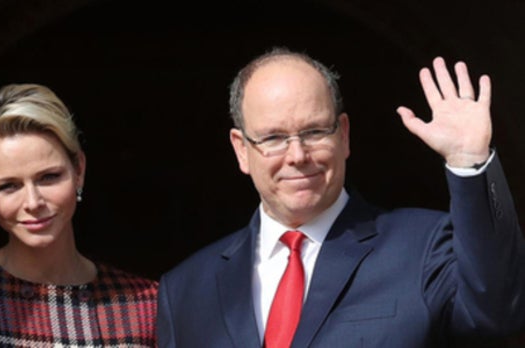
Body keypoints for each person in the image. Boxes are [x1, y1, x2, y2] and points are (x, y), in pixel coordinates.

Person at [156, 47, 525, 347]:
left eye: (315, 131)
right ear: (241, 150)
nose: (297, 155)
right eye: (273, 138)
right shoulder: (186, 290)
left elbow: (497, 312)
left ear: (344, 135)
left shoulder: (421, 247)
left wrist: (469, 162)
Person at [0, 83, 158, 347]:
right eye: (8, 186)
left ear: (79, 170)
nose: (32, 202)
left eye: (48, 177)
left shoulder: (144, 306)